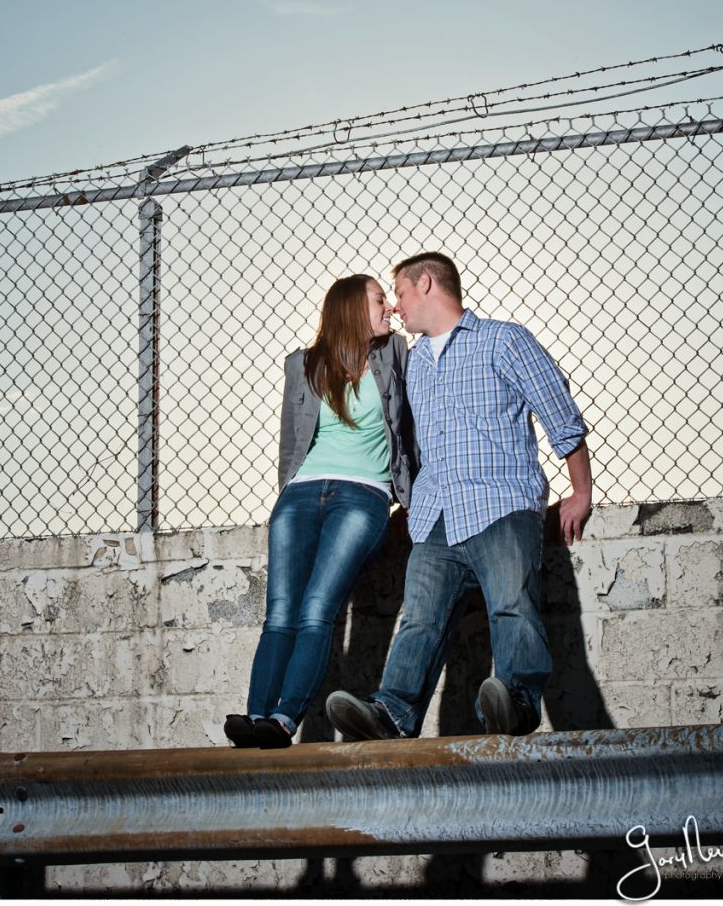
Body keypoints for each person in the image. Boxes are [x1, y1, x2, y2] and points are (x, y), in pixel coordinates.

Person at [326, 252, 591, 741]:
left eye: (400, 294)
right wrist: (409, 503)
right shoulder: (417, 361)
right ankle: (394, 712)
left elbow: (560, 413)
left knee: (513, 606)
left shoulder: (504, 340)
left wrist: (581, 491)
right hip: (435, 514)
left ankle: (517, 700)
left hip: (501, 503)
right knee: (419, 621)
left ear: (425, 284)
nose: (397, 307)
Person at [224, 274, 416, 749]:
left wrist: (412, 498)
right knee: (279, 613)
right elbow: (293, 442)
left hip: (363, 495)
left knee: (315, 610)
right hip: (301, 495)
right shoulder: (303, 364)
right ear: (352, 308)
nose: (389, 307)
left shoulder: (395, 354)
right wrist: (285, 494)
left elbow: (412, 426)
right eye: (379, 300)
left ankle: (284, 720)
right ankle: (255, 717)